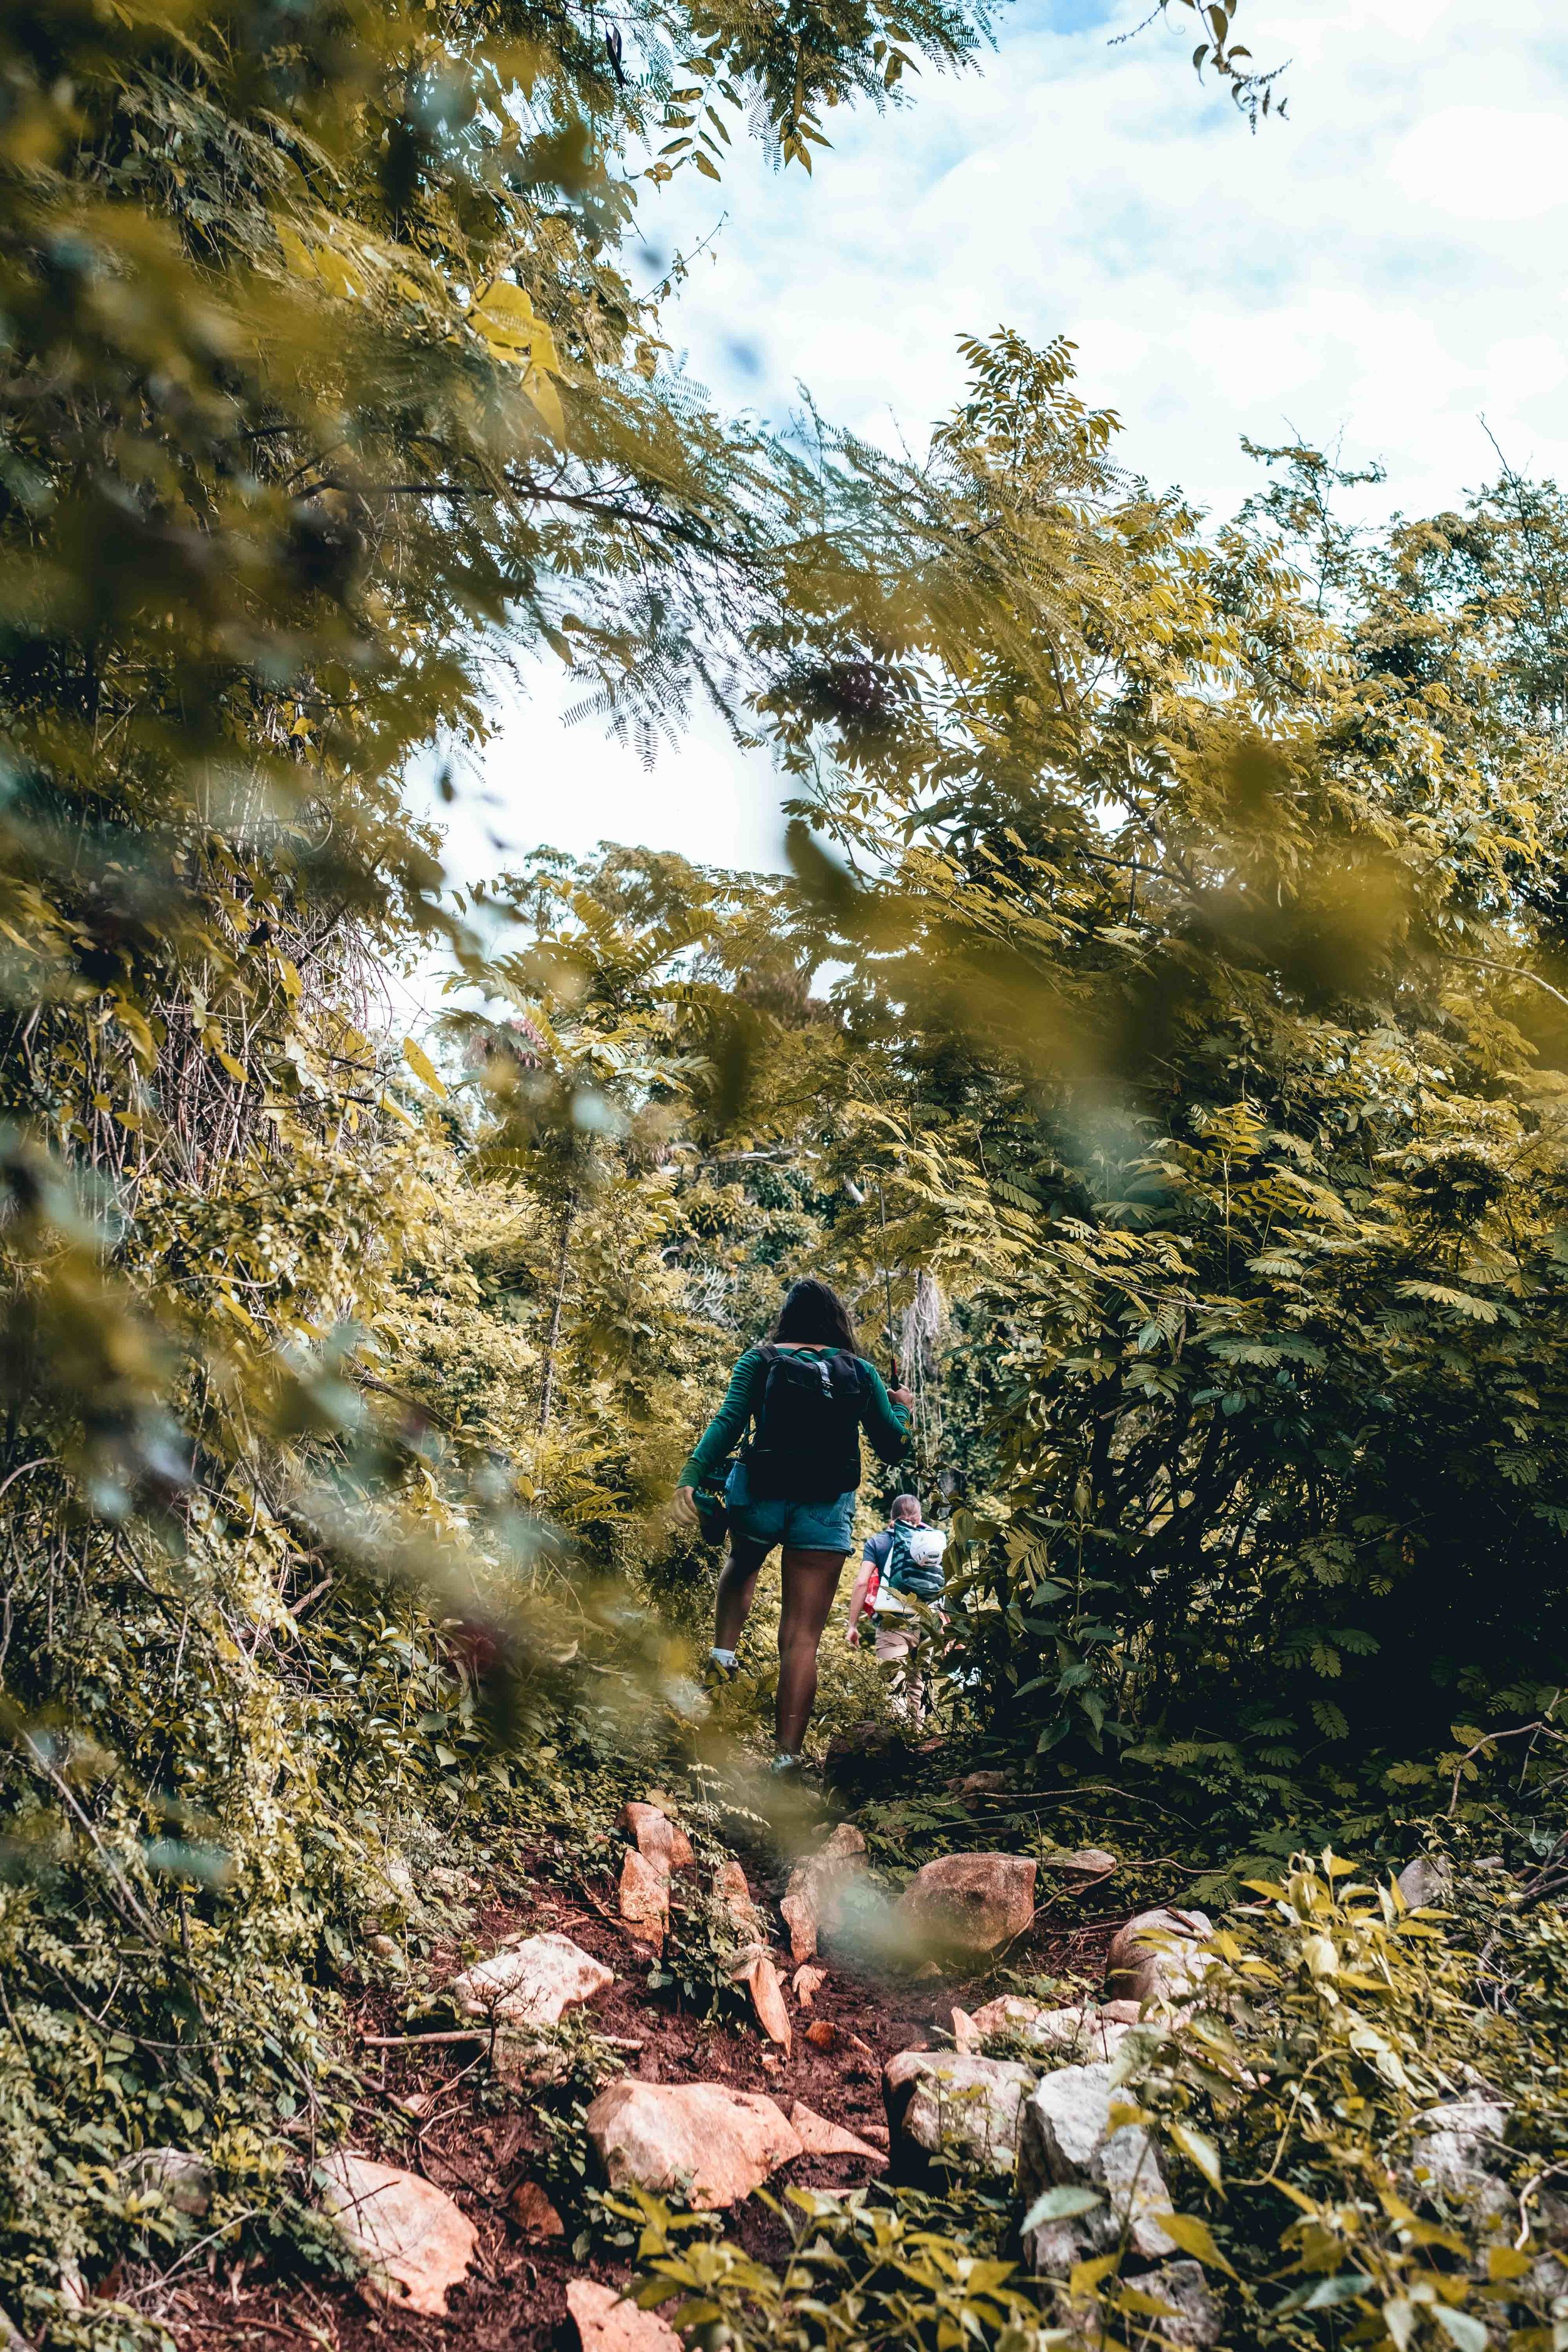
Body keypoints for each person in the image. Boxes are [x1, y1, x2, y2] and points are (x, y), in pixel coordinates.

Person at [673, 1278, 913, 1772]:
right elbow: (893, 1447)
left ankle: (722, 1662)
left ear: (788, 1317)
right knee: (802, 1639)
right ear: (837, 1321)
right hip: (824, 1509)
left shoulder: (761, 1359)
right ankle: (786, 1759)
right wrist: (902, 1409)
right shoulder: (861, 1372)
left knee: (742, 1561)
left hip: (760, 1493)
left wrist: (690, 1477)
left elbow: (729, 1421)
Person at [845, 1493, 947, 1721]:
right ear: (919, 1516)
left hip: (894, 1622)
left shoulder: (878, 1542)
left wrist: (853, 1625)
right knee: (917, 1688)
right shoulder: (933, 1542)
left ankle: (897, 1748)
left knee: (894, 1688)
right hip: (927, 1623)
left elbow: (862, 1582)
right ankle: (917, 1745)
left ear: (892, 1517)